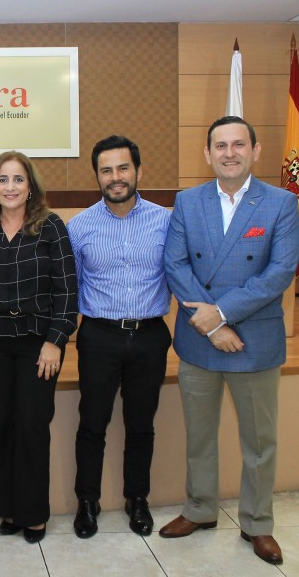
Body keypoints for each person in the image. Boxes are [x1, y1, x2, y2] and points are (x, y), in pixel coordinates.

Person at [160, 116, 299, 566]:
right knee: (200, 435)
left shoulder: (281, 203)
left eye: (239, 144)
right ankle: (200, 508)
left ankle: (257, 523)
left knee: (260, 440)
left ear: (255, 151)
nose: (229, 153)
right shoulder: (188, 201)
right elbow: (176, 265)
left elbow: (280, 272)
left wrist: (221, 314)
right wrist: (211, 326)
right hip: (199, 339)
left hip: (254, 339)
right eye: (220, 146)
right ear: (207, 154)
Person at [67, 136, 172, 539]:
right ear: (97, 176)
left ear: (138, 171)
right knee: (92, 423)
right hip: (99, 337)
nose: (115, 177)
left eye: (123, 168)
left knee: (141, 424)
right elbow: (71, 288)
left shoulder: (165, 221)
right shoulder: (79, 227)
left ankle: (137, 499)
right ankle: (87, 501)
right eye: (106, 170)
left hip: (149, 337)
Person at [0, 151, 78, 543]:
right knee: (5, 424)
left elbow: (67, 290)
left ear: (30, 186)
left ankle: (33, 514)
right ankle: (10, 509)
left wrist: (56, 341)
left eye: (18, 179)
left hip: (39, 341)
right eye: (3, 179)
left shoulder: (50, 226)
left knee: (32, 424)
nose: (10, 187)